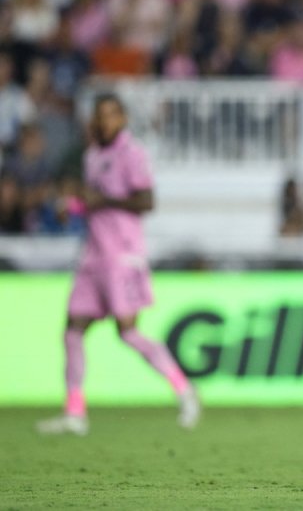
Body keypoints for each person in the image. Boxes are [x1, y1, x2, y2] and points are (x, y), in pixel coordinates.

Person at [36, 93, 200, 436]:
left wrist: (102, 199)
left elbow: (147, 200)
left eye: (112, 115)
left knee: (127, 332)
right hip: (92, 256)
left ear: (123, 118)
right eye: (100, 116)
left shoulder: (132, 154)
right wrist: (75, 207)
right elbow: (95, 204)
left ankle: (184, 390)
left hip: (122, 255)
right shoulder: (92, 156)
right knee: (72, 330)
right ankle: (75, 412)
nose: (106, 121)